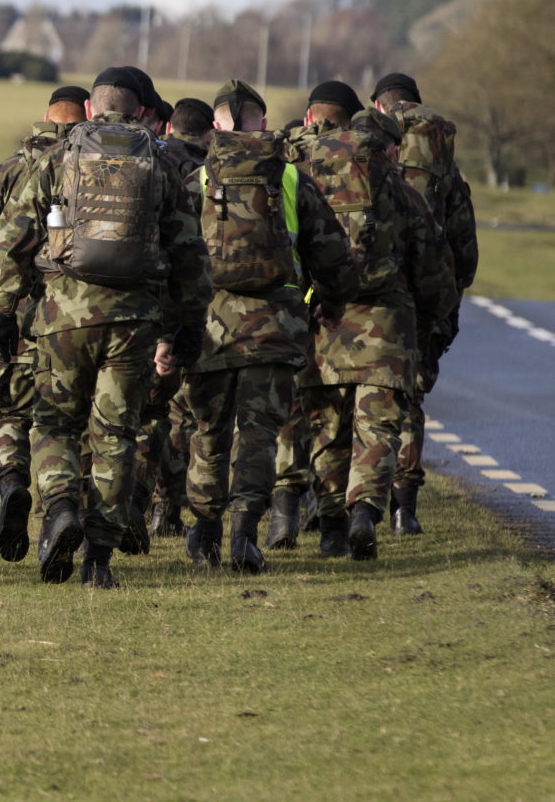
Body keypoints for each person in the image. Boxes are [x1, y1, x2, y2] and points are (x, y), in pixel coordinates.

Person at [0, 67, 211, 588]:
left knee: (54, 424)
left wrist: (1, 314)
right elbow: (189, 254)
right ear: (139, 112)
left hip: (62, 319)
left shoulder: (59, 157)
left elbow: (12, 240)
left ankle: (61, 506)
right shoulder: (160, 162)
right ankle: (98, 562)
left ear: (90, 109)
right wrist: (188, 327)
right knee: (115, 434)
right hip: (132, 324)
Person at [179, 81, 357, 573]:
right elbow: (335, 259)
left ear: (216, 125)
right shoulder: (292, 178)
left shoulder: (194, 178)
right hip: (276, 327)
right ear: (261, 122)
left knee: (209, 432)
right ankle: (244, 536)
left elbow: (170, 257)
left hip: (209, 327)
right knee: (259, 433)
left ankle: (204, 533)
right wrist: (328, 304)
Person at [291, 82, 458, 560]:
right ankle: (365, 510)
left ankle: (331, 528)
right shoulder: (404, 194)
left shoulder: (309, 181)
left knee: (327, 429)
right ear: (388, 147)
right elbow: (434, 271)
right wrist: (429, 324)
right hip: (387, 328)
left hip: (324, 323)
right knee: (378, 429)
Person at [0, 84, 89, 562]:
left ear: (45, 117)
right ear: (86, 115)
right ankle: (61, 511)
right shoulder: (97, 169)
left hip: (15, 318)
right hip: (78, 320)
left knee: (5, 407)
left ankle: (11, 479)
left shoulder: (8, 171)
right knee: (64, 422)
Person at [371, 72, 480, 534]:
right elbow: (464, 243)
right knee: (410, 397)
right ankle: (405, 509)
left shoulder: (366, 153)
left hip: (375, 292)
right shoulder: (445, 165)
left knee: (362, 396)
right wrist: (449, 298)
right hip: (429, 295)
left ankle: (348, 505)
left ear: (378, 107)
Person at [143, 97, 215, 538]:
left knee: (150, 413)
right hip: (200, 308)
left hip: (149, 308)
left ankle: (145, 508)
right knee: (188, 416)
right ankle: (171, 510)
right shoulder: (211, 171)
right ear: (209, 132)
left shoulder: (156, 161)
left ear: (170, 126)